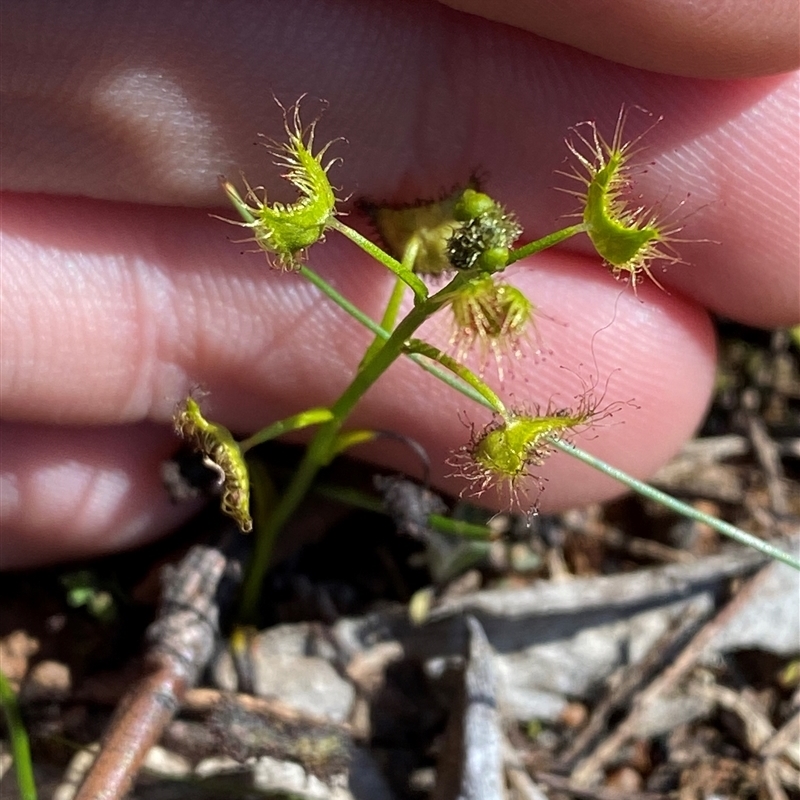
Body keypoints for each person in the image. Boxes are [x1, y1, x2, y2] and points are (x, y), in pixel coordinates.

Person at [1, 0, 798, 568]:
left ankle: (278, 513)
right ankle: (260, 502)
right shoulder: (406, 240)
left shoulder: (477, 268)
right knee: (304, 430)